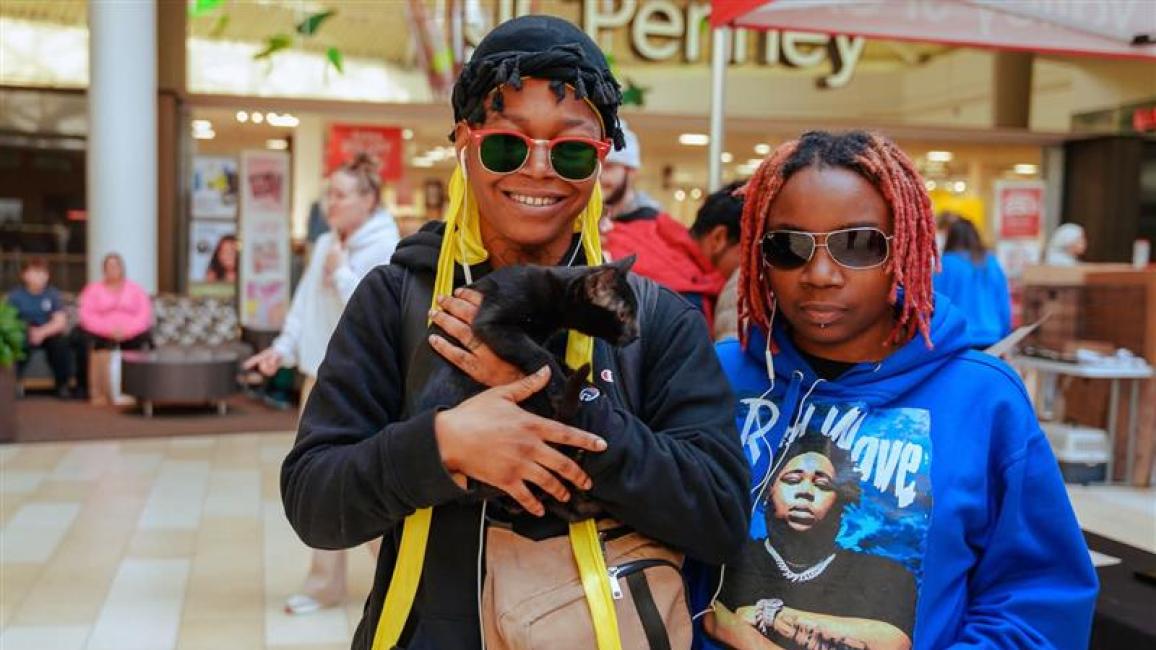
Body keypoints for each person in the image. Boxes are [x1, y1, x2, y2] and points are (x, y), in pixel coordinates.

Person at [280, 15, 749, 649]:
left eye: (572, 150)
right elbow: (314, 500)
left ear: (600, 166)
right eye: (507, 144)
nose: (537, 170)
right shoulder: (398, 299)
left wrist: (564, 402)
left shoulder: (653, 320)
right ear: (465, 144)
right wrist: (443, 445)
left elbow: (718, 518)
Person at [701, 131, 1097, 649]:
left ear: (903, 250)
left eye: (858, 244)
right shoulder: (719, 376)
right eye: (788, 246)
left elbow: (1038, 599)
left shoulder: (982, 398)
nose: (820, 274)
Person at [244, 154, 400, 615]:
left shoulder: (386, 247)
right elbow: (304, 307)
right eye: (327, 194)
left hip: (364, 386)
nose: (330, 203)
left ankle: (400, 580)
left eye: (340, 195)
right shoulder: (325, 243)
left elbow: (380, 319)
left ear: (368, 199)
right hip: (319, 377)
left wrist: (342, 272)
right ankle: (325, 583)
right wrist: (283, 349)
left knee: (363, 488)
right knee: (319, 482)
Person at [710, 432, 915, 650]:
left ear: (841, 503)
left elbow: (894, 642)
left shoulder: (883, 574)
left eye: (823, 485)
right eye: (792, 480)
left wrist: (770, 615)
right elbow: (706, 614)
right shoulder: (730, 557)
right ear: (768, 492)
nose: (805, 492)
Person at [602, 125, 731, 328]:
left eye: (609, 167)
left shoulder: (663, 227)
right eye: (596, 166)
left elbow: (700, 282)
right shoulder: (573, 227)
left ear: (632, 171)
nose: (600, 176)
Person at [73, 253, 153, 400]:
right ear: (104, 270)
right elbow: (86, 315)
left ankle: (136, 388)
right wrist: (108, 331)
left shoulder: (136, 290)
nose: (113, 269)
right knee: (81, 338)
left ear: (122, 268)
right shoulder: (93, 289)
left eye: (116, 265)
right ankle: (86, 388)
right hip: (100, 333)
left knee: (145, 337)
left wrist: (128, 331)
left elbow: (144, 314)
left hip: (131, 333)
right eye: (109, 266)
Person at [935, 217, 1012, 349]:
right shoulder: (991, 262)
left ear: (951, 238)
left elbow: (935, 304)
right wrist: (1006, 335)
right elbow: (1003, 303)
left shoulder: (945, 264)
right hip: (993, 336)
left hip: (957, 340)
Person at [6, 258, 71, 398]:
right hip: (23, 332)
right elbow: (8, 322)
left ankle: (62, 385)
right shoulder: (15, 296)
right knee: (14, 342)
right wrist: (28, 331)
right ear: (25, 275)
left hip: (47, 332)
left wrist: (41, 332)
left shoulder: (52, 294)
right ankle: (13, 384)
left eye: (44, 272)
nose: (41, 276)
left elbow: (60, 321)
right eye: (36, 272)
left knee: (61, 343)